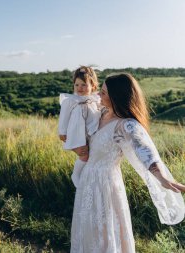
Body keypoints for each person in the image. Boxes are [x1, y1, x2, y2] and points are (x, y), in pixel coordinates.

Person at [70, 73, 185, 252]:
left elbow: (145, 151)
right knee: (87, 231)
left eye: (104, 93)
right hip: (87, 181)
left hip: (106, 185)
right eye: (100, 91)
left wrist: (162, 178)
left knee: (106, 234)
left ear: (117, 97)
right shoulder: (99, 114)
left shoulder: (125, 125)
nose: (98, 96)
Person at [58, 66, 101, 187]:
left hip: (92, 132)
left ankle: (88, 177)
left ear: (92, 86)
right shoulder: (70, 100)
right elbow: (64, 117)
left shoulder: (95, 100)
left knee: (92, 155)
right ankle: (75, 175)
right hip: (77, 133)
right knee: (84, 154)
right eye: (76, 85)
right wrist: (62, 132)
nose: (79, 88)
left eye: (83, 85)